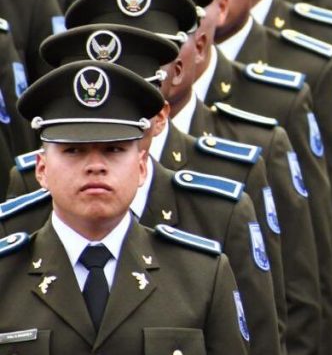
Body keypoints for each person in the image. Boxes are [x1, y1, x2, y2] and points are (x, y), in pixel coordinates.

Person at [0, 60, 248, 352]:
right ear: (41, 169)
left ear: (142, 166)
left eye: (114, 149)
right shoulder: (5, 276)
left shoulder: (201, 276)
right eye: (73, 150)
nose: (95, 166)